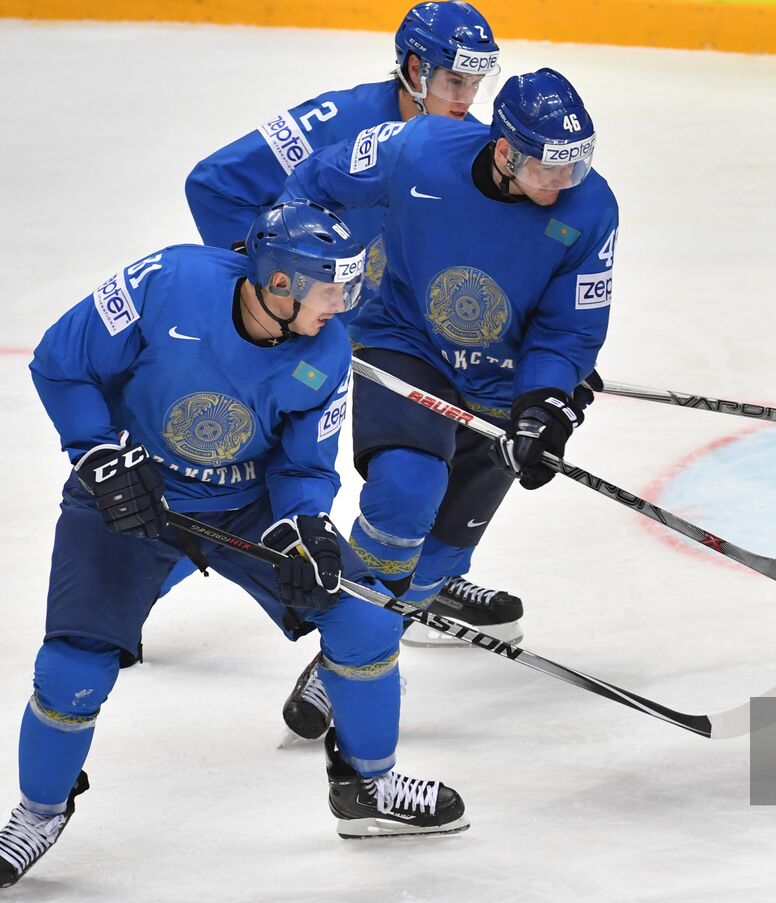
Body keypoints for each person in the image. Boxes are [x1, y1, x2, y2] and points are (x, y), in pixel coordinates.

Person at [0, 201, 468, 889]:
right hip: (128, 491)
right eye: (331, 288)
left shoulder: (326, 350)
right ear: (279, 283)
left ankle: (367, 786)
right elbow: (61, 362)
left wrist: (304, 527)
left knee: (366, 621)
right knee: (72, 668)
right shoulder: (166, 282)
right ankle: (39, 813)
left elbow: (304, 466)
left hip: (247, 508)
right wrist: (96, 452)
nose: (342, 304)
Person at [272, 67, 618, 737]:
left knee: (437, 560)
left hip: (503, 380)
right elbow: (316, 183)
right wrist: (295, 269)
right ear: (504, 151)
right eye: (547, 167)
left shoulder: (591, 207)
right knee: (406, 489)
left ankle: (359, 647)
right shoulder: (418, 148)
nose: (562, 183)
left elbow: (568, 329)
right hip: (408, 342)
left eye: (575, 166)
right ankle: (347, 653)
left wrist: (546, 401)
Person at [182, 2, 526, 650]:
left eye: (476, 84)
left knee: (471, 436)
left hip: (393, 332)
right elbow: (215, 185)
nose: (467, 100)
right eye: (455, 81)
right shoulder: (336, 120)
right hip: (306, 321)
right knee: (234, 466)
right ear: (415, 70)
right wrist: (268, 290)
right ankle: (130, 575)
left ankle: (423, 575)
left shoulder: (466, 148)